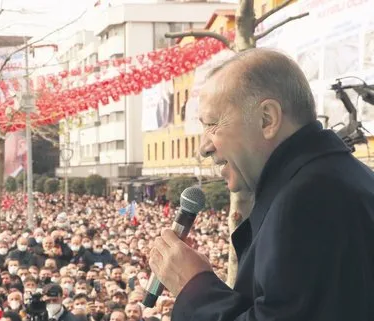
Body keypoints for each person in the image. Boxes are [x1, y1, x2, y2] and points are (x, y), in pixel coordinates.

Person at [149, 48, 374, 320]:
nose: (204, 147)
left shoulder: (307, 201)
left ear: (267, 119)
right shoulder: (338, 176)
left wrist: (194, 288)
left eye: (212, 124)